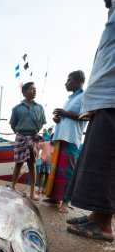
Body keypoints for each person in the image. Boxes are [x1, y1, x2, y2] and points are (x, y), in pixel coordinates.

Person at [66, 0, 115, 241]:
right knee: (98, 156)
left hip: (112, 98)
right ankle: (98, 215)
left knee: (106, 158)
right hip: (105, 98)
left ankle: (104, 223)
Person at [43, 71, 87, 213]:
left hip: (71, 138)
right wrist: (58, 119)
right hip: (60, 137)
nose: (66, 83)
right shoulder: (69, 99)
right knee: (56, 172)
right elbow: (67, 117)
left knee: (68, 171)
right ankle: (55, 198)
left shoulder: (84, 96)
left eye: (68, 80)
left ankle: (65, 203)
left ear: (77, 80)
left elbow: (86, 116)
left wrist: (64, 114)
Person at [9, 82, 46, 200]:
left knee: (32, 164)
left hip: (33, 137)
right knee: (18, 163)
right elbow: (13, 125)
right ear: (24, 92)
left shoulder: (39, 108)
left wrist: (32, 134)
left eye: (35, 88)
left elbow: (41, 124)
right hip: (21, 136)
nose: (34, 90)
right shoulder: (16, 109)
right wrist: (22, 134)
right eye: (31, 89)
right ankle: (13, 187)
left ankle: (32, 192)